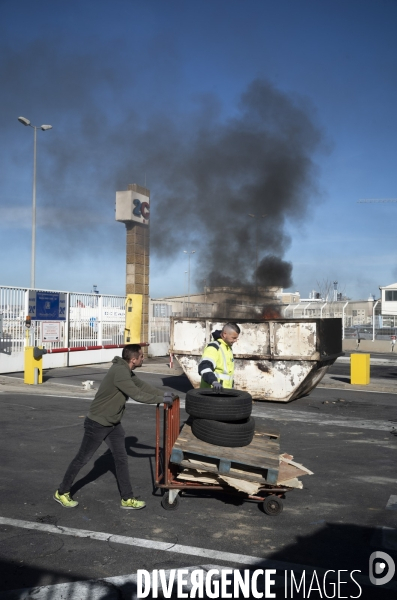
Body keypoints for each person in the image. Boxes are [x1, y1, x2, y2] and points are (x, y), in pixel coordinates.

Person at [54, 344, 175, 510]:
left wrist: (164, 395)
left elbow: (141, 386)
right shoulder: (119, 372)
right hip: (97, 423)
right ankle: (62, 492)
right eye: (141, 356)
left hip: (112, 423)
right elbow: (137, 394)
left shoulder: (125, 370)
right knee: (82, 458)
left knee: (121, 458)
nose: (142, 358)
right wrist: (161, 400)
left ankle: (127, 498)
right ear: (133, 359)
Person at [198, 322, 240, 390]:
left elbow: (228, 375)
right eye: (233, 338)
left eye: (236, 338)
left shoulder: (228, 348)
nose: (235, 340)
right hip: (212, 393)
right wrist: (214, 382)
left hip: (224, 393)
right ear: (224, 334)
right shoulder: (214, 348)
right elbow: (204, 367)